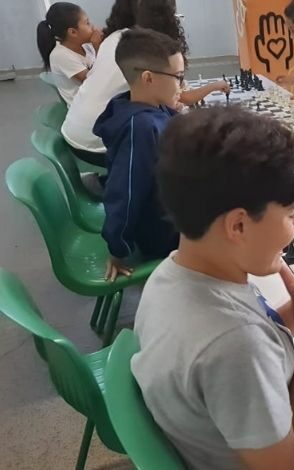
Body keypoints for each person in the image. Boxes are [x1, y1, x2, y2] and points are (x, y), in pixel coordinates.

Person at [131, 106, 294, 470]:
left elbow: (250, 339)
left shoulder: (170, 274)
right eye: (290, 213)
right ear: (238, 226)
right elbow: (291, 466)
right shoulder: (234, 344)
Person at [61, 0, 228, 165]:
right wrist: (213, 87)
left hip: (74, 130)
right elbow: (183, 97)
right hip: (96, 146)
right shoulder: (149, 49)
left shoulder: (115, 37)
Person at [93, 28, 182, 281]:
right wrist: (118, 248)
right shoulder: (140, 128)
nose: (182, 85)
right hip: (164, 234)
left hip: (170, 210)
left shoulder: (145, 108)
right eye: (178, 76)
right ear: (148, 78)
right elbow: (124, 192)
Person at [36, 2, 102, 106]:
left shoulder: (85, 45)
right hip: (85, 107)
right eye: (87, 23)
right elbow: (95, 82)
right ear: (73, 32)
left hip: (96, 97)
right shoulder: (61, 56)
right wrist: (98, 47)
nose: (93, 26)